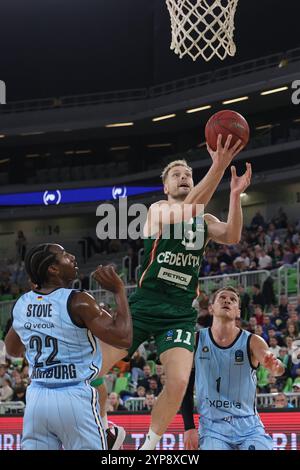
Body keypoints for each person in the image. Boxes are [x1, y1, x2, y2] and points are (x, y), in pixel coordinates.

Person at [96, 134, 250, 450]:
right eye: (176, 175)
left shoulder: (204, 220)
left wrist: (234, 195)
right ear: (166, 187)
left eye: (188, 175)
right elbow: (191, 206)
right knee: (93, 368)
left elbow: (233, 235)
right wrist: (218, 168)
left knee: (179, 382)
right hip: (144, 304)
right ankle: (104, 428)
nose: (183, 178)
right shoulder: (158, 210)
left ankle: (149, 446)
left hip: (179, 310)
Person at [4, 243, 132, 450]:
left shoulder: (22, 303)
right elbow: (124, 338)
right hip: (73, 396)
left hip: (37, 398)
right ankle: (109, 435)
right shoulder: (79, 301)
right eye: (64, 255)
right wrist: (119, 291)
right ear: (53, 269)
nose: (72, 257)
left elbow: (12, 351)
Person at [182, 287, 285, 451]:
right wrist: (188, 427)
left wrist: (276, 366)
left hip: (249, 426)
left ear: (238, 312)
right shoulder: (195, 341)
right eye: (222, 297)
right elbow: (184, 388)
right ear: (211, 308)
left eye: (233, 299)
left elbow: (276, 368)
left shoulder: (253, 341)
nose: (227, 300)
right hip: (212, 426)